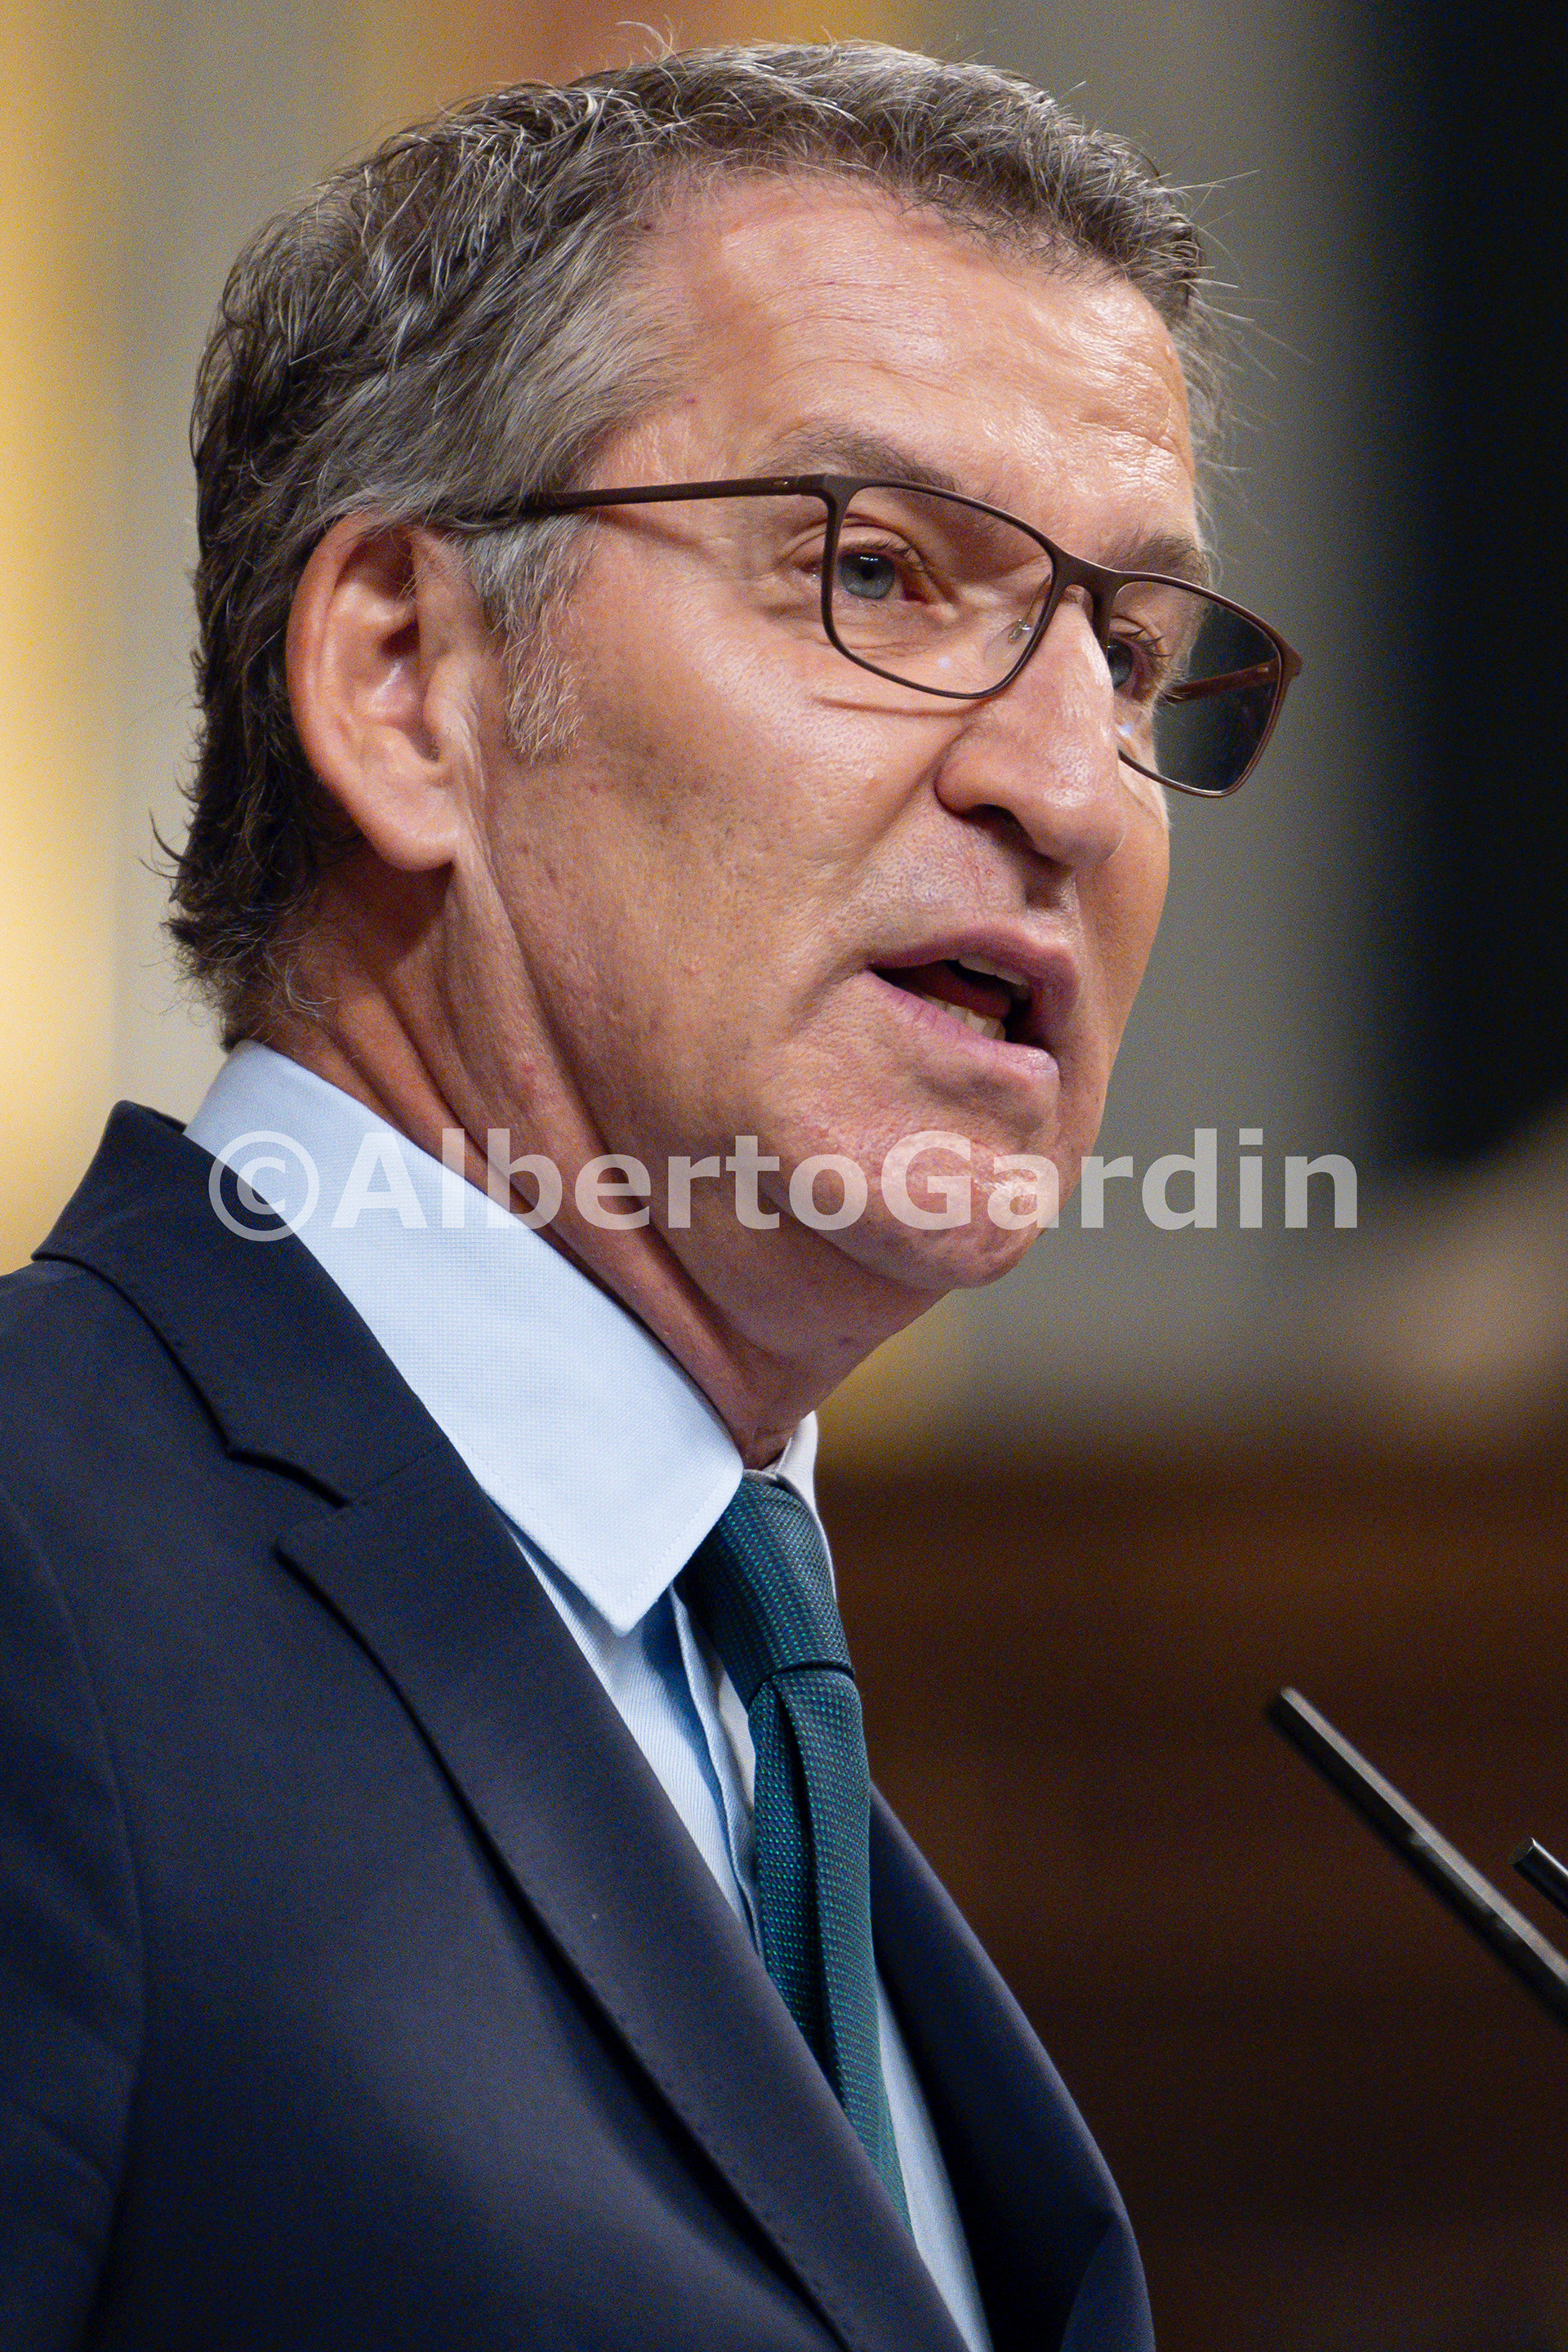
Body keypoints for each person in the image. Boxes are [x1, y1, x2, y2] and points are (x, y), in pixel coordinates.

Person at [0, 42, 1298, 2352]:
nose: (1070, 786)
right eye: (877, 572)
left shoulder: (748, 1698)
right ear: (407, 680)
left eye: (1125, 657)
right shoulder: (37, 1555)